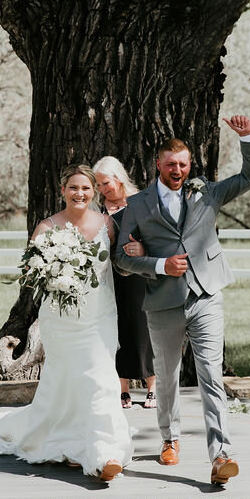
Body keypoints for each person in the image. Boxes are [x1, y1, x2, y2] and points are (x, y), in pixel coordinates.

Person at [0, 164, 132, 482]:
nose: (80, 194)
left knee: (102, 379)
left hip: (100, 317)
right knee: (64, 382)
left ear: (94, 192)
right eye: (73, 188)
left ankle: (104, 452)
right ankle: (68, 438)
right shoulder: (47, 227)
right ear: (63, 190)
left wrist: (138, 252)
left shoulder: (107, 223)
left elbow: (120, 263)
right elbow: (29, 273)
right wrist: (53, 271)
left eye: (86, 188)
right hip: (60, 320)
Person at [115, 115, 250, 486]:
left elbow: (249, 178)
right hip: (163, 302)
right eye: (170, 164)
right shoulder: (137, 204)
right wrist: (160, 264)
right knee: (166, 378)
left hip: (206, 295)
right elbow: (122, 257)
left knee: (211, 375)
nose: (177, 170)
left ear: (189, 166)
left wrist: (248, 138)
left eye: (182, 164)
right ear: (158, 166)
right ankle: (169, 439)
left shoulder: (207, 192)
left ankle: (221, 455)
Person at [93, 156, 157, 409]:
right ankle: (123, 388)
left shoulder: (140, 203)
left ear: (118, 178)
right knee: (116, 330)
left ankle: (153, 386)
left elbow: (159, 237)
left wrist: (144, 248)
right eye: (98, 185)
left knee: (143, 329)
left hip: (139, 276)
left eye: (105, 183)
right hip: (110, 277)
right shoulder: (98, 210)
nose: (103, 189)